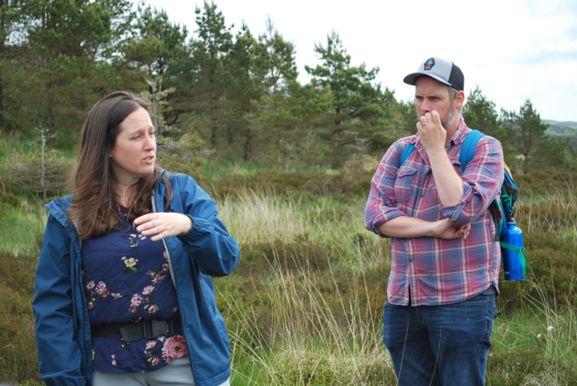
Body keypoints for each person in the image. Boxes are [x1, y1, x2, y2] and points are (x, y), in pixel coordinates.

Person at [32, 91, 240, 386]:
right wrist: (63, 378)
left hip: (185, 365)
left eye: (152, 133)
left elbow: (226, 259)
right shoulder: (70, 216)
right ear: (107, 147)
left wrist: (189, 226)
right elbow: (53, 306)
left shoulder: (181, 193)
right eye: (136, 137)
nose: (150, 145)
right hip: (108, 369)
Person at [364, 57, 504, 386]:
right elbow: (375, 215)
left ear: (459, 99)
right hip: (404, 300)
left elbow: (462, 208)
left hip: (462, 299)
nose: (425, 108)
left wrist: (436, 149)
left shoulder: (484, 148)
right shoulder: (400, 151)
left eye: (435, 99)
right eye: (419, 98)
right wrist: (432, 229)